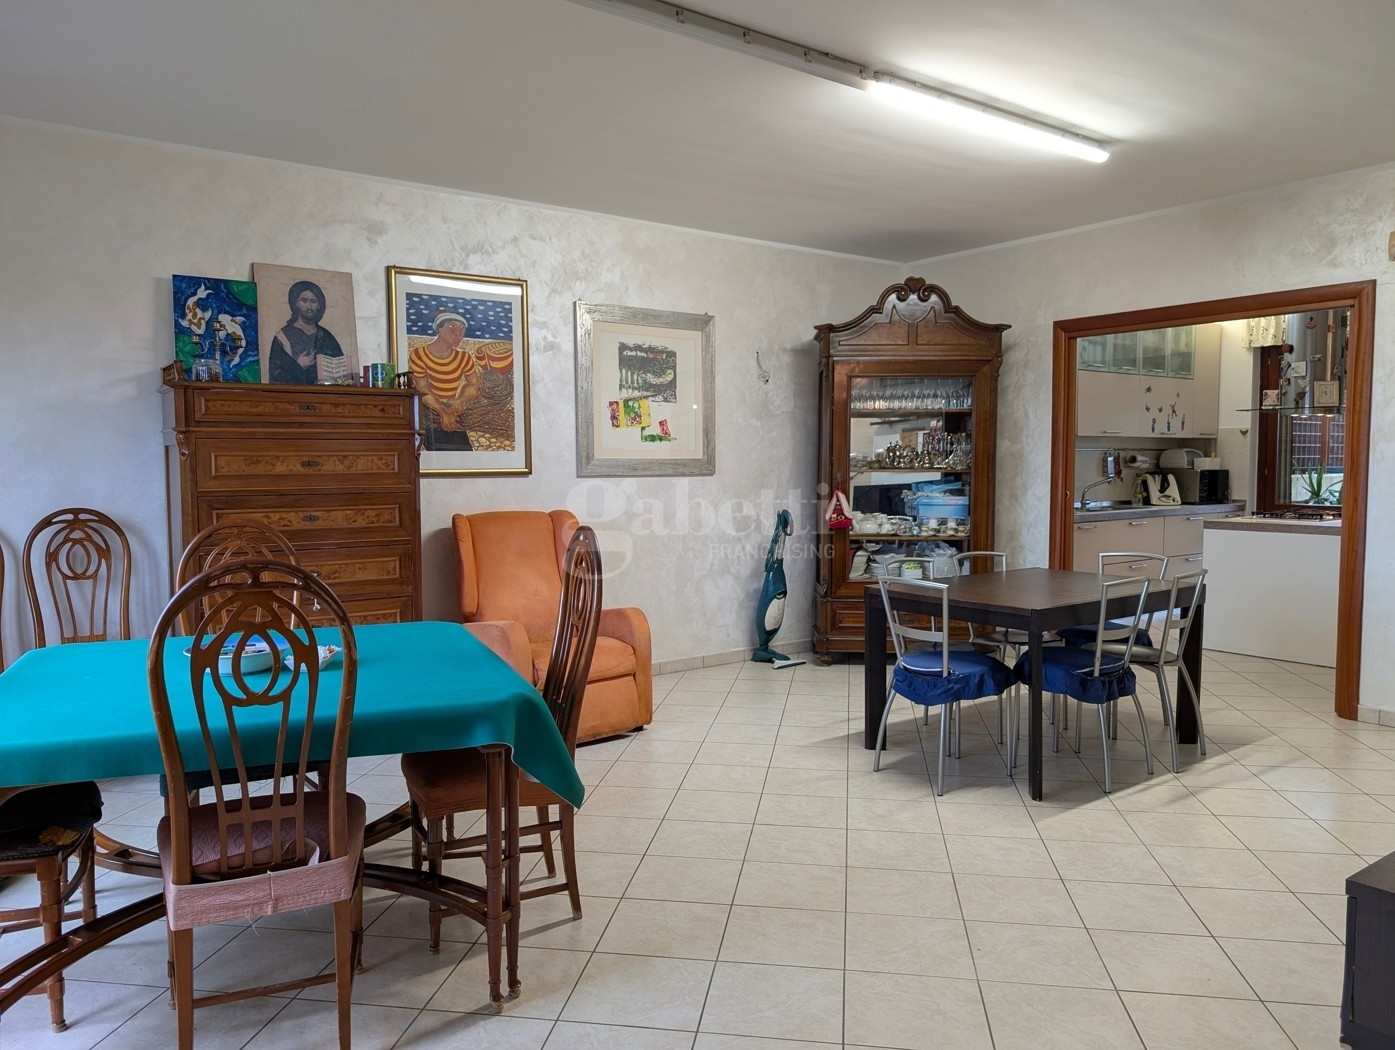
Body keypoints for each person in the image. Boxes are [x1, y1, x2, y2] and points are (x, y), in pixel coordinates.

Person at [408, 309, 482, 450]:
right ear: (440, 329)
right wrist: (442, 412)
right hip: (429, 413)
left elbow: (474, 384)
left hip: (453, 411)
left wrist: (461, 399)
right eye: (451, 326)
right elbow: (422, 388)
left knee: (465, 453)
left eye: (462, 327)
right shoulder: (419, 354)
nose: (458, 333)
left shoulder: (464, 357)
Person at [267, 280, 346, 384]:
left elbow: (341, 376)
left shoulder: (327, 337)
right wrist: (297, 365)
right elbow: (275, 376)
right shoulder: (282, 337)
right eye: (304, 301)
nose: (309, 306)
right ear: (296, 303)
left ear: (319, 305)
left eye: (313, 301)